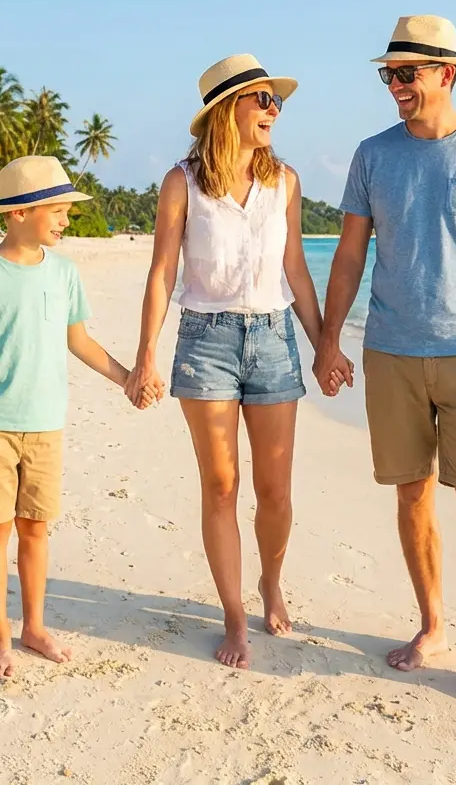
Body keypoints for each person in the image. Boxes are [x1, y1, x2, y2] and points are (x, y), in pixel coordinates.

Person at [313, 15, 456, 716]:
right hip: (391, 353)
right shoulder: (372, 155)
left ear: (448, 73)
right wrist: (328, 339)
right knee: (412, 495)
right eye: (389, 74)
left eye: (406, 73)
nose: (395, 86)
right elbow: (350, 254)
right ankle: (434, 625)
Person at [125, 54, 353, 671]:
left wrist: (324, 345)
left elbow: (295, 269)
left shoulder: (286, 182)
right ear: (229, 110)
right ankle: (232, 614)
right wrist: (146, 356)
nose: (275, 110)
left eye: (277, 101)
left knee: (274, 490)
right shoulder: (182, 183)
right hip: (206, 342)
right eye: (263, 99)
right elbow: (162, 272)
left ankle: (270, 583)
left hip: (274, 339)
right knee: (221, 485)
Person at [0, 156, 146, 679]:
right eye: (56, 210)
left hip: (45, 426)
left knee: (36, 528)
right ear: (19, 213)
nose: (65, 219)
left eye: (66, 211)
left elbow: (79, 340)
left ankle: (34, 626)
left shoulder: (64, 273)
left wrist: (127, 378)